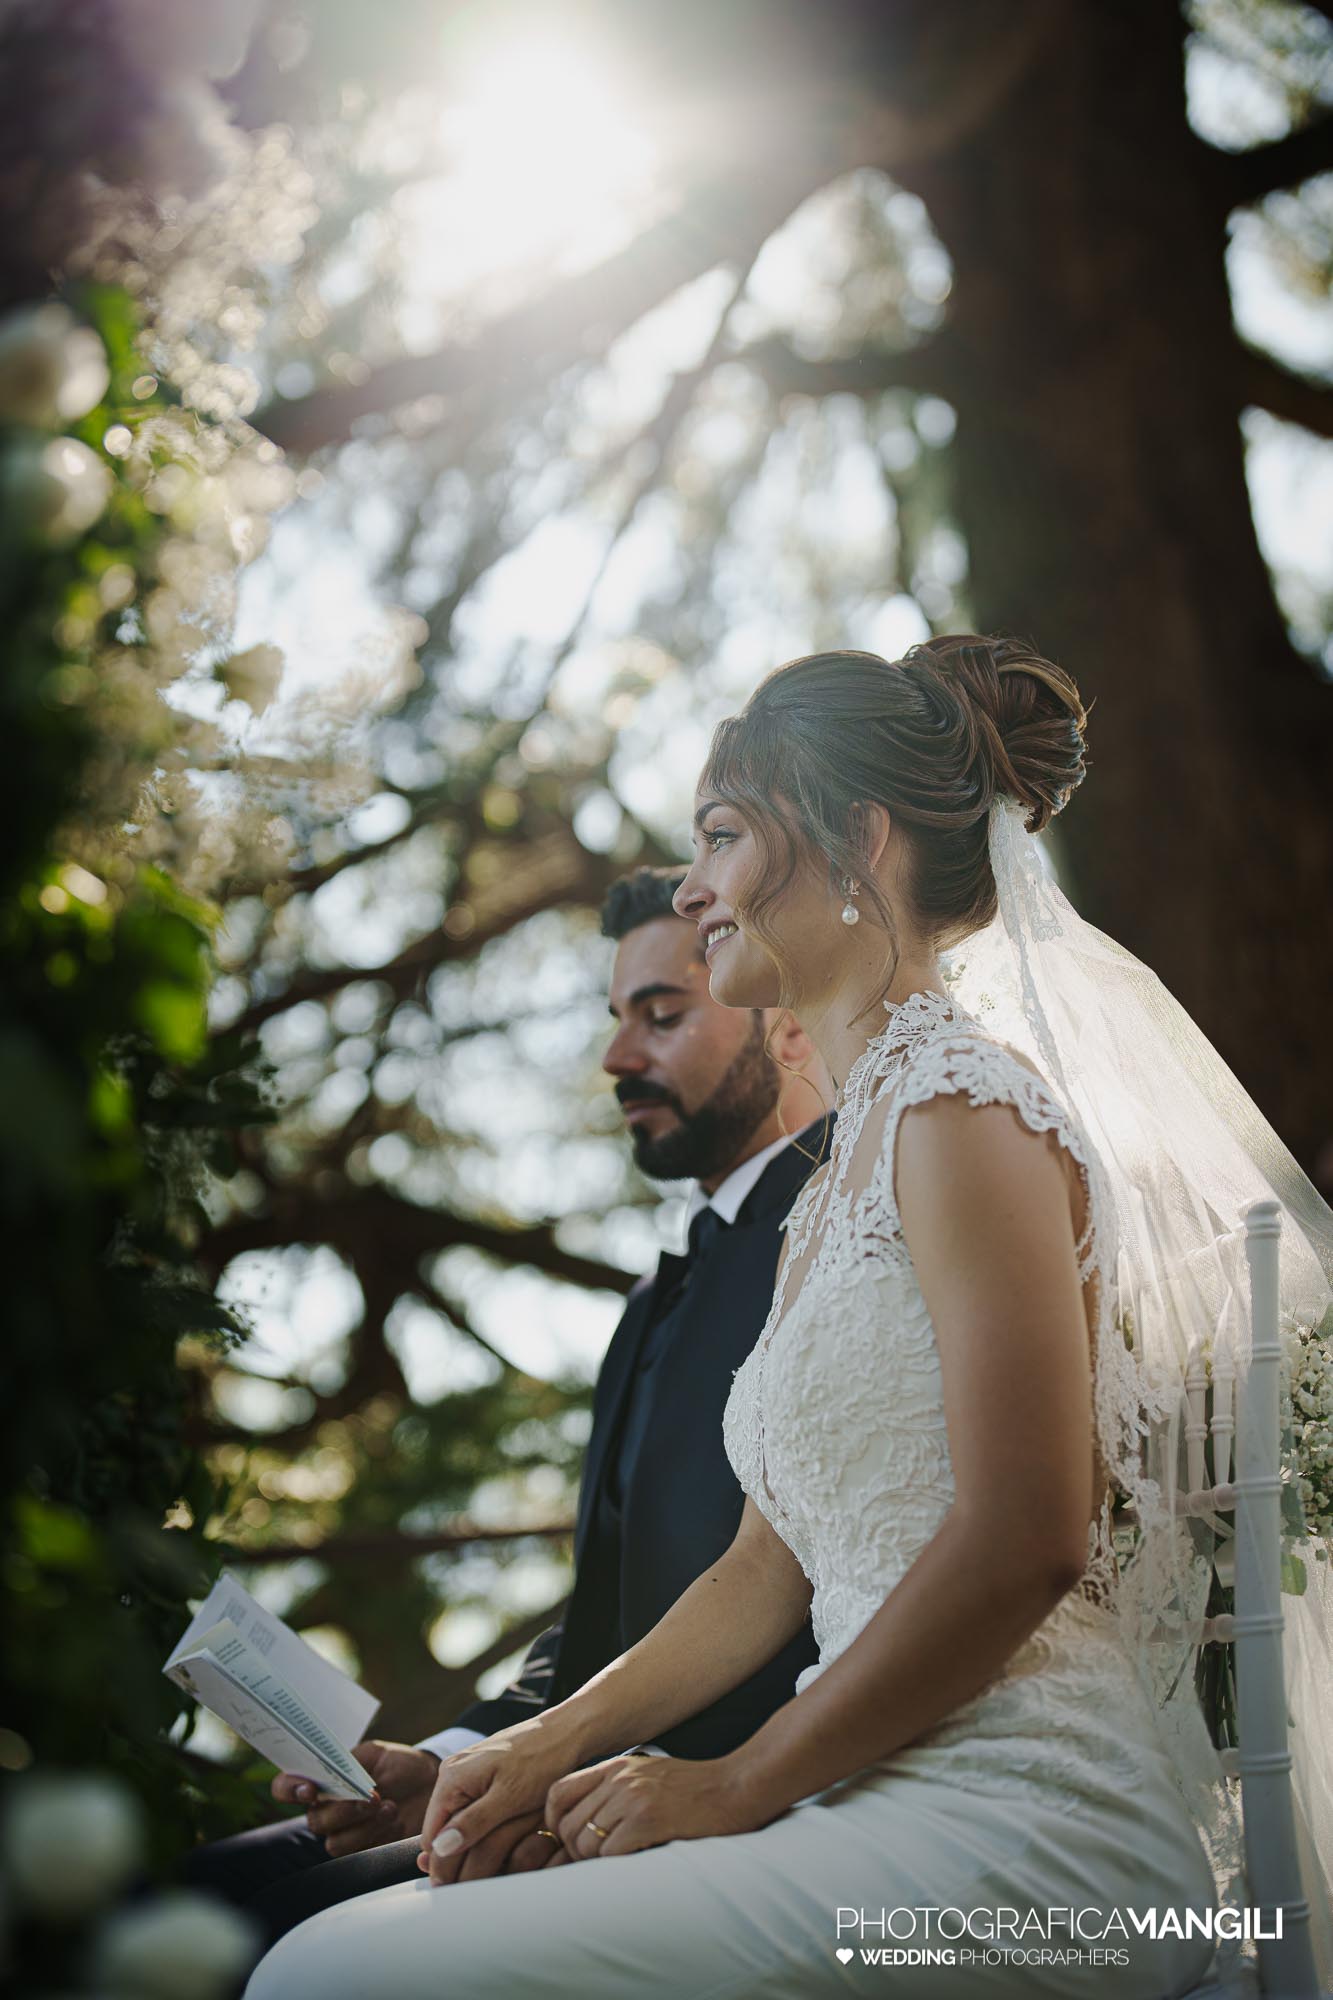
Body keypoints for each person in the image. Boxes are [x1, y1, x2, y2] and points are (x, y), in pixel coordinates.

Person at [248, 637, 1333, 2000]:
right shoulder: (836, 1183)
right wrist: (523, 1753)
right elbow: (764, 1570)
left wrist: (733, 1784)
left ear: (856, 840)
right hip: (866, 1798)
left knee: (330, 1977)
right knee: (335, 1955)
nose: (692, 886)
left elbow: (1029, 1535)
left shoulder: (965, 1111)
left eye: (721, 834)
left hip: (1037, 1837)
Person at [185, 864, 832, 1945]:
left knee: (275, 1939)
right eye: (616, 1019)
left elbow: (788, 1588)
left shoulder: (843, 1232)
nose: (617, 1057)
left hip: (716, 1801)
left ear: (781, 1015)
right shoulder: (652, 1297)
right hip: (569, 1771)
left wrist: (580, 1780)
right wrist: (446, 1758)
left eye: (662, 1015)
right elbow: (604, 1617)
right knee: (196, 1891)